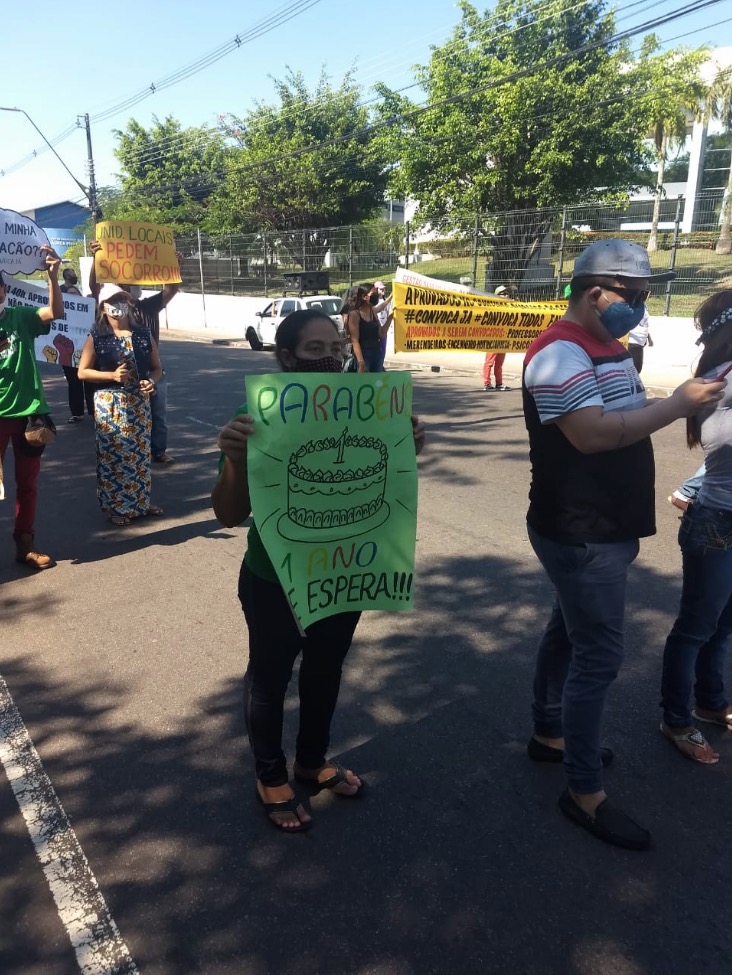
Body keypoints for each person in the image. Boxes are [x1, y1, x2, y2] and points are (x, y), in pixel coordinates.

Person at [522, 238, 725, 851]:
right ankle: (583, 793)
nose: (638, 306)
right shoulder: (559, 352)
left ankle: (550, 735)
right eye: (632, 296)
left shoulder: (605, 345)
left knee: (569, 632)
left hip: (603, 525)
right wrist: (675, 405)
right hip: (581, 527)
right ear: (595, 292)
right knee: (599, 657)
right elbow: (589, 435)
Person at [212, 308, 426, 831]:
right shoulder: (255, 416)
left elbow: (385, 482)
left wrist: (408, 445)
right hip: (275, 577)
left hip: (343, 570)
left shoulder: (368, 411)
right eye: (314, 349)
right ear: (285, 357)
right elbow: (229, 514)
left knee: (326, 668)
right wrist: (235, 459)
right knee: (270, 677)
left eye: (335, 346)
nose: (330, 357)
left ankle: (310, 760)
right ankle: (270, 774)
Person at [660, 291, 732, 764]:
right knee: (697, 626)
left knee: (724, 626)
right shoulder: (716, 382)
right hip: (717, 522)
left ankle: (710, 701)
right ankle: (676, 718)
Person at [77, 284, 163, 526]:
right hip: (110, 403)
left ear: (129, 303)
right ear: (103, 307)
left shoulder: (143, 334)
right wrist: (112, 376)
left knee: (139, 456)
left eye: (121, 300)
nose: (117, 306)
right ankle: (115, 506)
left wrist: (151, 382)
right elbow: (83, 373)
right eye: (112, 302)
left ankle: (140, 503)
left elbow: (157, 367)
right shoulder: (97, 337)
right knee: (114, 457)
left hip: (138, 403)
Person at [89, 240, 180, 463]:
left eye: (125, 297)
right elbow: (95, 288)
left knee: (158, 414)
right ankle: (129, 454)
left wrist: (173, 266)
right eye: (118, 296)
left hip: (151, 372)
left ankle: (157, 451)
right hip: (121, 382)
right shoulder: (105, 321)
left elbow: (172, 289)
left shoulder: (149, 306)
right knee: (126, 420)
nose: (121, 303)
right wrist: (96, 259)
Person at [0, 249, 64, 569]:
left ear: (4, 290)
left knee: (27, 484)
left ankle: (25, 544)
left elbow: (54, 312)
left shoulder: (20, 318)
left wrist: (52, 276)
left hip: (28, 416)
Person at [59, 266, 95, 423]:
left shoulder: (87, 311)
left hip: (86, 351)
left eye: (76, 295)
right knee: (74, 383)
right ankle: (77, 412)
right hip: (69, 353)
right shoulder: (61, 307)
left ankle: (95, 411)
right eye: (70, 295)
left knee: (90, 382)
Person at [346, 285, 390, 373]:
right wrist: (361, 363)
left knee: (377, 383)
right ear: (364, 297)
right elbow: (355, 340)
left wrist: (391, 318)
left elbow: (381, 334)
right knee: (364, 383)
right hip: (363, 354)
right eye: (373, 294)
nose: (376, 296)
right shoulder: (354, 315)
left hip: (377, 353)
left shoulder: (372, 312)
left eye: (376, 294)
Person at [483, 286, 511, 391]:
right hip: (493, 337)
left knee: (499, 363)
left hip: (503, 338)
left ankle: (499, 383)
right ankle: (487, 383)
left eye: (507, 293)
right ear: (497, 296)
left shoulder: (510, 307)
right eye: (503, 293)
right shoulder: (492, 307)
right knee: (489, 362)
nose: (506, 295)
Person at [627, 304, 653, 375]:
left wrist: (648, 337)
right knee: (635, 369)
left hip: (640, 342)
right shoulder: (631, 305)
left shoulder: (643, 306)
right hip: (632, 341)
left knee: (637, 368)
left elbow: (644, 323)